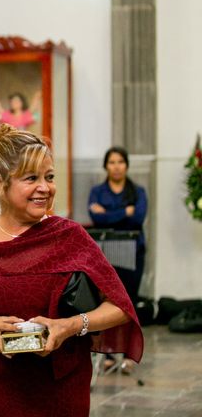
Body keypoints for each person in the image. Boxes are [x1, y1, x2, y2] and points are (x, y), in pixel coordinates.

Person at [0, 124, 143, 417]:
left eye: (49, 177)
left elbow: (120, 306)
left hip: (61, 388)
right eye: (31, 178)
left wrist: (70, 326)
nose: (45, 188)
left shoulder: (70, 237)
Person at [88, 146, 148, 373]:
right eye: (112, 162)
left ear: (127, 165)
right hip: (105, 255)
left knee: (128, 303)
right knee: (107, 303)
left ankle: (128, 355)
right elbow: (96, 218)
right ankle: (109, 352)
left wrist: (109, 213)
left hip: (133, 252)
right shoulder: (97, 191)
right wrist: (125, 212)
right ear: (106, 166)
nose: (116, 166)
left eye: (120, 162)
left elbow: (139, 218)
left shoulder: (138, 191)